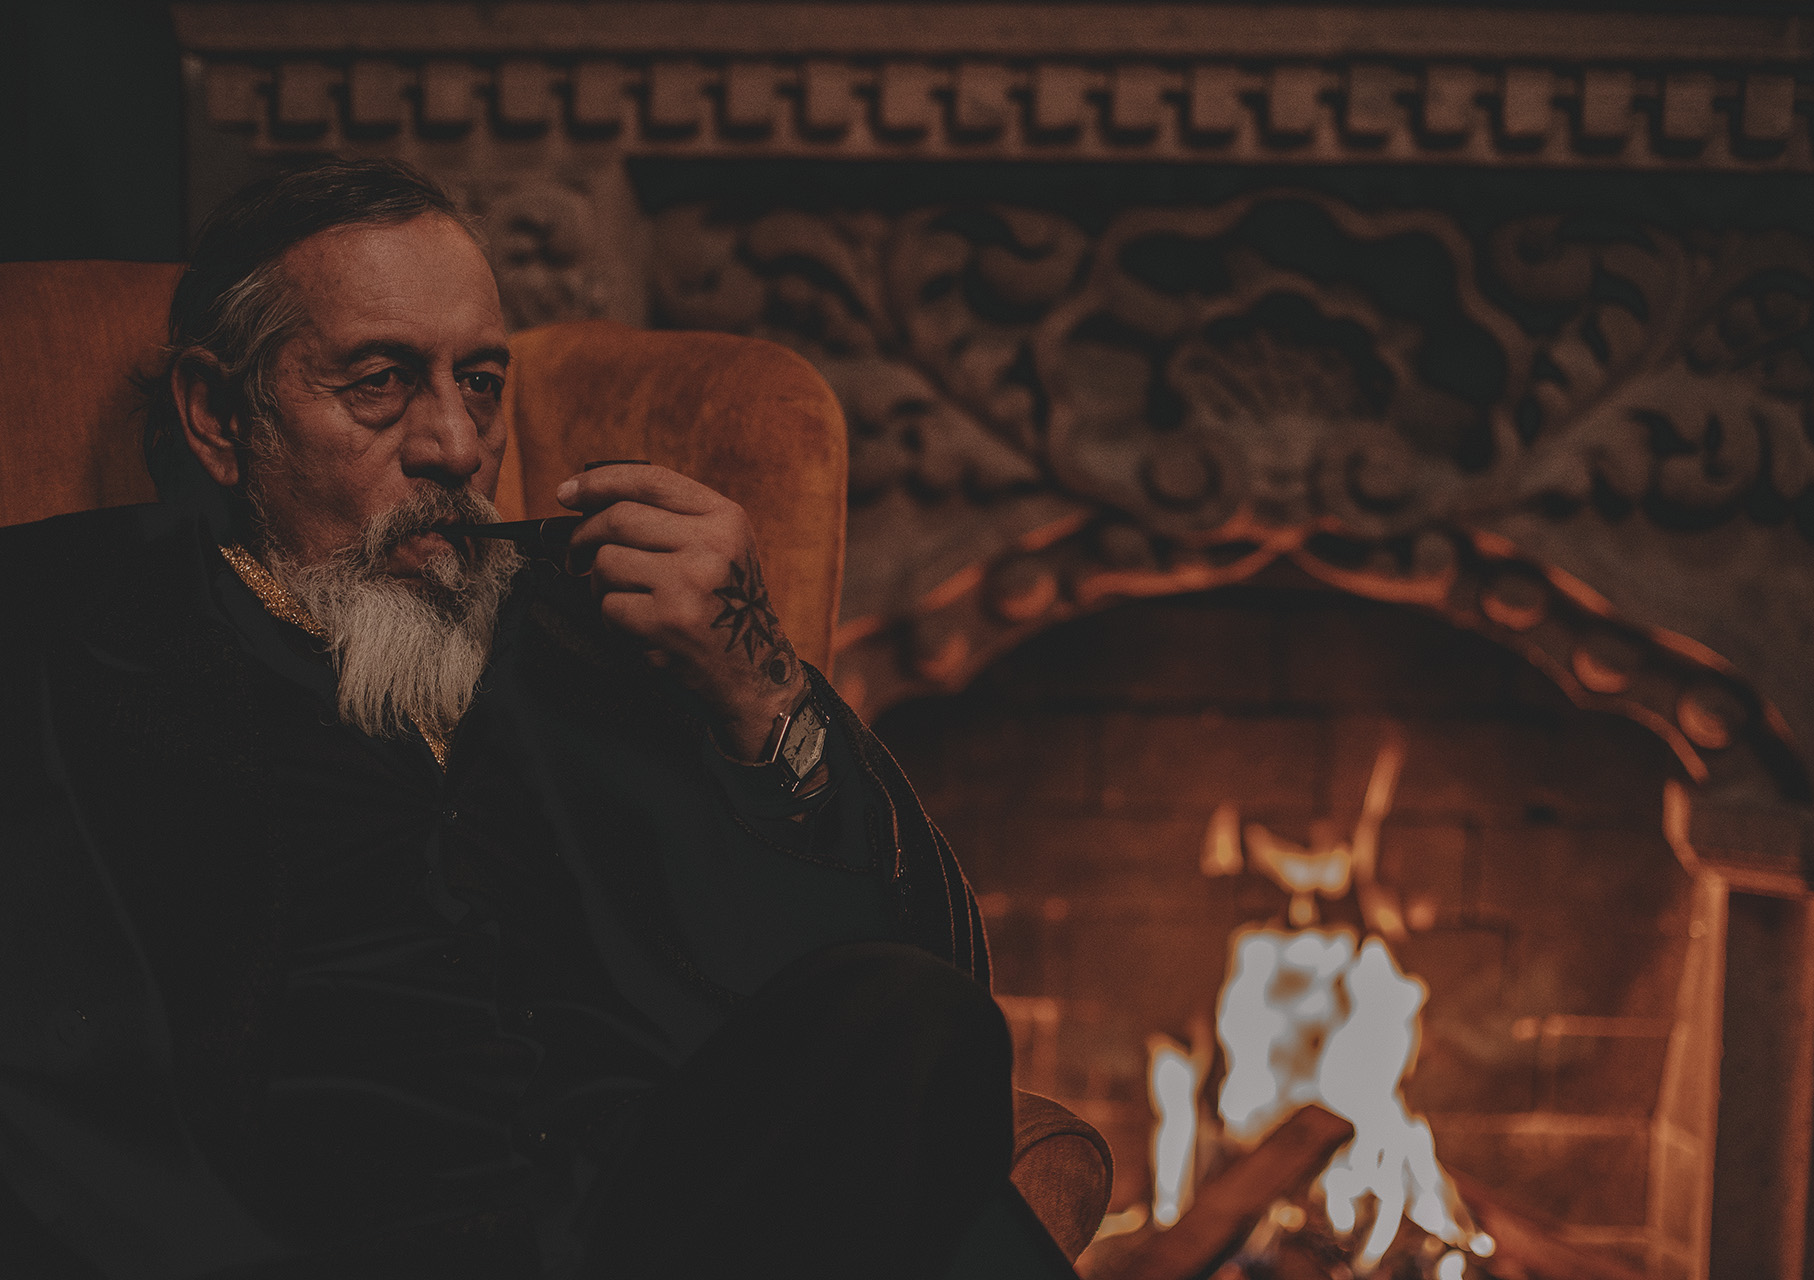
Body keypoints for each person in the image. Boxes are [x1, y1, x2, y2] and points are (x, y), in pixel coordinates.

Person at [0, 160, 1079, 1279]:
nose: (458, 446)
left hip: (671, 1227)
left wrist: (760, 691)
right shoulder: (57, 627)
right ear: (220, 416)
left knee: (909, 1016)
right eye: (380, 382)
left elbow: (926, 1002)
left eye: (480, 382)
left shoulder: (610, 624)